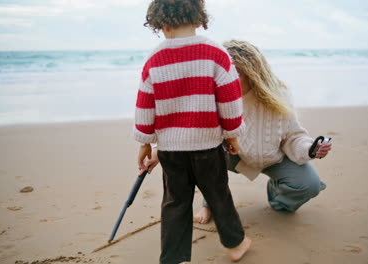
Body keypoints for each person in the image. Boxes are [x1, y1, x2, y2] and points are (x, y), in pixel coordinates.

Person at [141, 39, 332, 225]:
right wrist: (159, 149)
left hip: (272, 156)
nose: (225, 80)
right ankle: (209, 204)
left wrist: (311, 148)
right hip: (232, 155)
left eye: (234, 74)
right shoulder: (212, 93)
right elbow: (189, 127)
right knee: (202, 156)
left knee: (309, 184)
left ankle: (278, 198)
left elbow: (293, 136)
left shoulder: (279, 94)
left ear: (252, 73)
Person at [134, 1, 251, 263]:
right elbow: (230, 102)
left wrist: (144, 143)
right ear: (199, 20)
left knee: (175, 203)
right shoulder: (215, 53)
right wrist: (232, 135)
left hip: (170, 151)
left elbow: (145, 105)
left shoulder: (154, 58)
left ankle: (172, 258)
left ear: (162, 23)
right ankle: (235, 245)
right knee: (218, 196)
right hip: (208, 146)